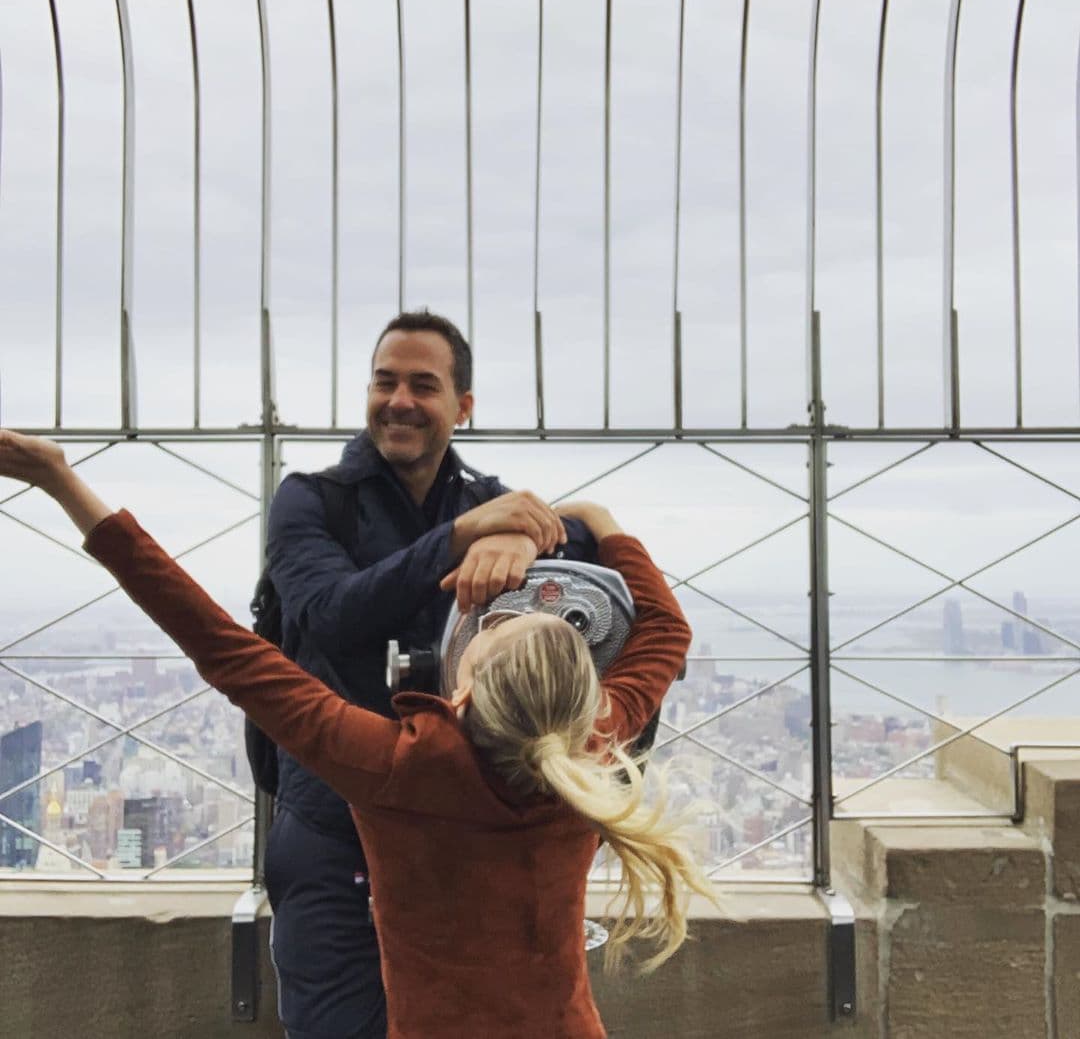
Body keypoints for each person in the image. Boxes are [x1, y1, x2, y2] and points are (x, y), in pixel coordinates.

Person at [0, 429, 715, 1039]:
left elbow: (224, 647)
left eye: (491, 621)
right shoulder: (588, 748)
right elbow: (666, 627)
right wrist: (594, 515)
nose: (495, 610)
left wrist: (62, 482)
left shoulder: (398, 767)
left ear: (459, 687)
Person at [263, 311, 597, 1037]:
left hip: (456, 833)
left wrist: (523, 528)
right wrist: (461, 539)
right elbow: (329, 613)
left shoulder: (488, 502)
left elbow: (583, 545)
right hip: (332, 828)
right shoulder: (311, 501)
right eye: (385, 381)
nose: (400, 400)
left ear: (463, 406)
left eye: (424, 384)